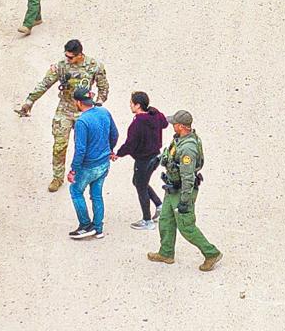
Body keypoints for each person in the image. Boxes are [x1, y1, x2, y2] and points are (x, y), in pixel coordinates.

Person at [15, 39, 109, 192]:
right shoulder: (61, 67)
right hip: (64, 109)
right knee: (59, 145)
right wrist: (29, 101)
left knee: (83, 146)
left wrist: (97, 104)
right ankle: (57, 177)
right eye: (66, 56)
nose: (68, 59)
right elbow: (44, 84)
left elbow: (103, 87)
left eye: (71, 57)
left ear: (80, 55)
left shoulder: (94, 66)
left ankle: (82, 175)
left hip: (84, 111)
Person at [147, 110, 222, 272]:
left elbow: (187, 177)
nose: (172, 125)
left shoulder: (188, 148)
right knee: (166, 220)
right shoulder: (180, 140)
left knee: (186, 226)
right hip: (172, 188)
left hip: (182, 191)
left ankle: (211, 253)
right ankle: (166, 252)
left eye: (174, 123)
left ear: (181, 126)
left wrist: (185, 201)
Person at [67, 87, 118, 239]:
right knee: (96, 194)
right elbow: (114, 134)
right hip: (104, 163)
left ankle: (85, 225)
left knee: (75, 191)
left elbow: (80, 150)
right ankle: (98, 228)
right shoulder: (104, 112)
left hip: (88, 166)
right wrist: (110, 149)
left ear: (78, 102)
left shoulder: (82, 122)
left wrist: (73, 170)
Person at [112, 91, 168, 230]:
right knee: (138, 182)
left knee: (141, 186)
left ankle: (147, 220)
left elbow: (130, 144)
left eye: (131, 103)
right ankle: (159, 205)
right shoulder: (155, 115)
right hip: (155, 156)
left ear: (138, 105)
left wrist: (118, 154)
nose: (130, 105)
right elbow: (165, 123)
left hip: (143, 160)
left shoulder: (137, 124)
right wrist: (156, 111)